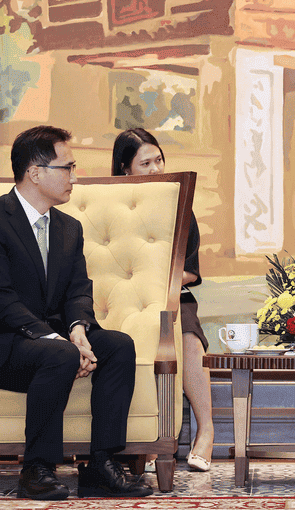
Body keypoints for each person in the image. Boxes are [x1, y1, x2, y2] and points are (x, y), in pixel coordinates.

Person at [0, 126, 154, 500]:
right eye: (67, 167)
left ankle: (101, 465)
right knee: (59, 353)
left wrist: (79, 331)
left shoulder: (69, 228)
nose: (74, 177)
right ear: (35, 172)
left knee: (119, 345)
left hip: (48, 342)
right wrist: (60, 341)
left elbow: (78, 290)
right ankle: (36, 469)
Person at [112, 128, 214, 472]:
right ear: (125, 169)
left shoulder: (180, 204)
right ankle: (147, 438)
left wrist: (156, 288)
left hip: (172, 296)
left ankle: (206, 432)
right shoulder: (111, 208)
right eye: (146, 163)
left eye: (159, 160)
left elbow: (191, 271)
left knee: (188, 337)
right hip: (125, 301)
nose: (156, 168)